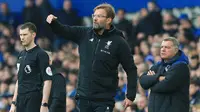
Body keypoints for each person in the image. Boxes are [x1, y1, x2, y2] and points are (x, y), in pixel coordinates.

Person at [46, 3, 137, 112]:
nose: (95, 18)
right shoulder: (85, 33)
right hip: (84, 96)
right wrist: (53, 23)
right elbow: (64, 30)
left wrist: (130, 95)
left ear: (109, 20)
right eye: (94, 15)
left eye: (99, 16)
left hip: (104, 98)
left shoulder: (119, 42)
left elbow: (131, 69)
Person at [9, 22, 52, 112]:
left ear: (33, 35)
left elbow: (47, 80)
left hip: (33, 98)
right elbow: (19, 80)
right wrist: (13, 103)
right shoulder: (21, 54)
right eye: (20, 35)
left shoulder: (41, 54)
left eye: (25, 34)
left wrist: (44, 104)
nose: (22, 37)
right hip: (20, 99)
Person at [139, 37, 190, 112]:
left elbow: (165, 86)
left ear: (176, 50)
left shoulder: (181, 66)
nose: (163, 49)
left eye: (167, 47)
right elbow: (142, 81)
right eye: (162, 47)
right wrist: (158, 78)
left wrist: (151, 83)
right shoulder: (159, 65)